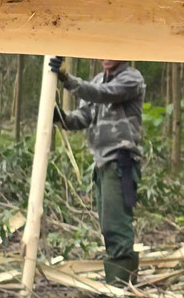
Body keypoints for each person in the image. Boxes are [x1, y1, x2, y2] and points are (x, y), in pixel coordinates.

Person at [49, 56, 145, 285]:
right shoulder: (97, 80)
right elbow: (83, 117)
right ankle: (119, 280)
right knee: (107, 224)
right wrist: (61, 117)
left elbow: (103, 94)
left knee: (116, 224)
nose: (107, 58)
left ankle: (121, 284)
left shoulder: (131, 79)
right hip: (102, 162)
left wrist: (67, 79)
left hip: (120, 161)